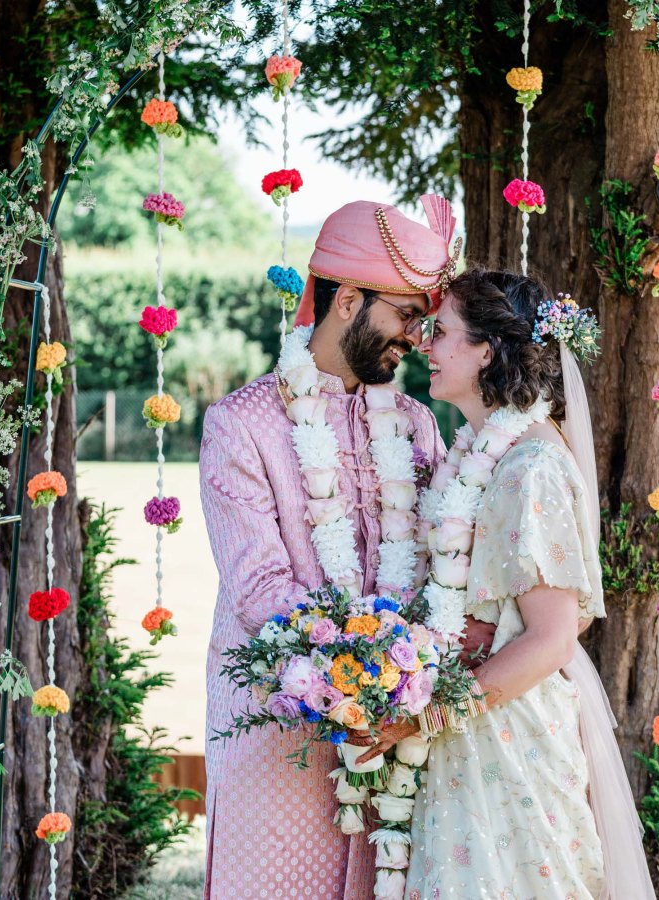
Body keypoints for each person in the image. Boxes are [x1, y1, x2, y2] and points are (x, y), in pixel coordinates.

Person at [198, 196, 461, 899]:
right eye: (406, 314)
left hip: (402, 731)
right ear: (348, 300)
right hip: (281, 727)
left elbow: (445, 568)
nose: (416, 336)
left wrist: (402, 693)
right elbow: (259, 591)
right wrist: (362, 684)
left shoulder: (414, 426)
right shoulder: (241, 426)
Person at [402, 268, 657, 899]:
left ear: (487, 350)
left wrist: (423, 718)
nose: (426, 347)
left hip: (511, 747)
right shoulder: (477, 451)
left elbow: (552, 640)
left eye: (442, 333)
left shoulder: (530, 466)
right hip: (471, 736)